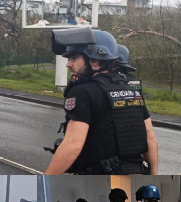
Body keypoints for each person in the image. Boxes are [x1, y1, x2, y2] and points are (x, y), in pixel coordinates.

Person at [45, 29, 158, 175]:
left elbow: (73, 145)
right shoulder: (132, 89)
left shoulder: (82, 92)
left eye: (74, 58)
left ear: (94, 61)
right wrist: (154, 176)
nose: (68, 64)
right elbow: (150, 137)